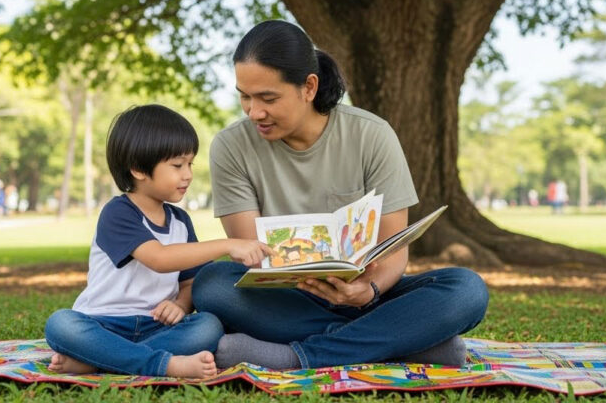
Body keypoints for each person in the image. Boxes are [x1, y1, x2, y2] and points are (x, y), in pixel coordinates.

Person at [192, 21, 489, 371]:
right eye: (245, 96)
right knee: (212, 284)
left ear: (309, 87)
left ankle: (298, 356)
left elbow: (394, 249)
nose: (254, 112)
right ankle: (403, 343)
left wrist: (369, 290)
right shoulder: (231, 147)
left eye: (268, 98)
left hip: (367, 296)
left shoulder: (371, 135)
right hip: (285, 298)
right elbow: (251, 251)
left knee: (466, 289)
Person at [44, 105, 271, 379]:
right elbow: (159, 259)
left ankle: (101, 359)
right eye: (177, 165)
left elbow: (189, 284)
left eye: (190, 164)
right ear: (138, 169)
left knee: (208, 325)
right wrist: (228, 244)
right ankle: (165, 365)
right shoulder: (118, 213)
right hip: (102, 323)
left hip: (156, 327)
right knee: (61, 324)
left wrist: (181, 305)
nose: (187, 174)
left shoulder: (180, 221)